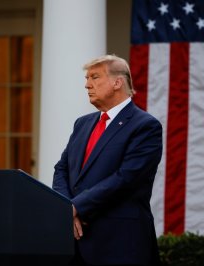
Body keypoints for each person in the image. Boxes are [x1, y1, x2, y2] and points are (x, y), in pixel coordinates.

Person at [52, 54, 162, 266]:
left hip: (119, 244)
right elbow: (62, 168)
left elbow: (126, 178)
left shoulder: (145, 126)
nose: (87, 85)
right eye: (86, 78)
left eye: (94, 77)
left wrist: (75, 207)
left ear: (117, 82)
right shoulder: (82, 124)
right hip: (74, 243)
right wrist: (65, 207)